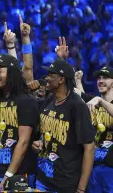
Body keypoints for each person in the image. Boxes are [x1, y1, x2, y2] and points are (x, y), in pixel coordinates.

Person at [33, 59, 95, 192]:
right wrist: (41, 141)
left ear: (61, 79)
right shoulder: (50, 100)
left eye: (51, 75)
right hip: (43, 178)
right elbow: (49, 131)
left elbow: (89, 148)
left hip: (65, 182)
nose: (47, 78)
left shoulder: (77, 105)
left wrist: (81, 189)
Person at [0, 54, 38, 190]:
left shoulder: (26, 101)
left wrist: (9, 174)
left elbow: (23, 141)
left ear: (11, 73)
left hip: (18, 174)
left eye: (0, 71)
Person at [77, 66, 113, 193]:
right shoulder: (94, 102)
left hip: (110, 169)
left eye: (106, 78)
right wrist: (77, 80)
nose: (101, 80)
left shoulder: (99, 101)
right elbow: (80, 97)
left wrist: (100, 101)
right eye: (99, 78)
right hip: (93, 165)